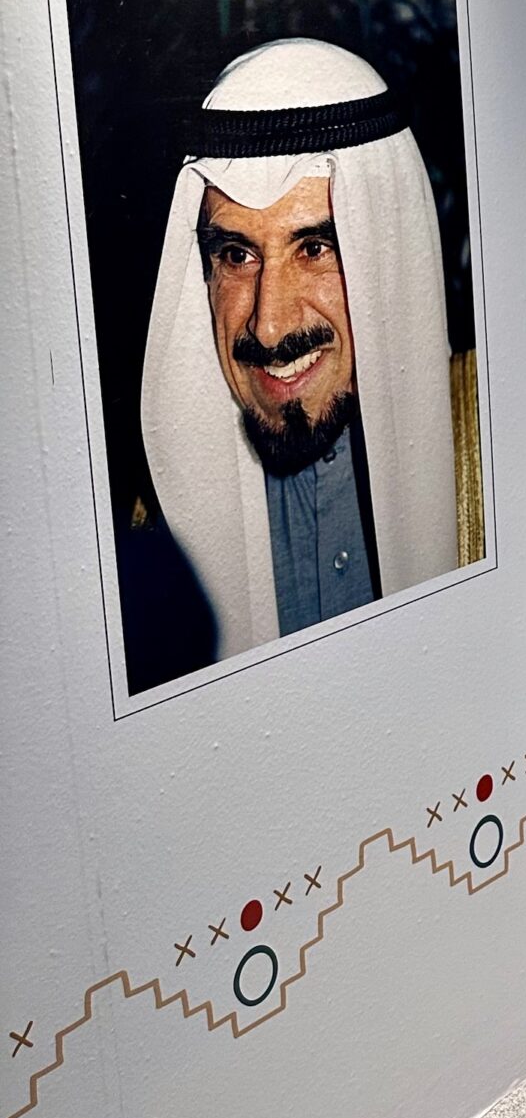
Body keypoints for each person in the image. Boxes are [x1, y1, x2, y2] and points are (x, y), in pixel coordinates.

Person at [134, 36, 481, 671]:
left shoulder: (492, 465)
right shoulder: (151, 545)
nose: (269, 326)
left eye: (316, 248)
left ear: (385, 254)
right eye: (236, 254)